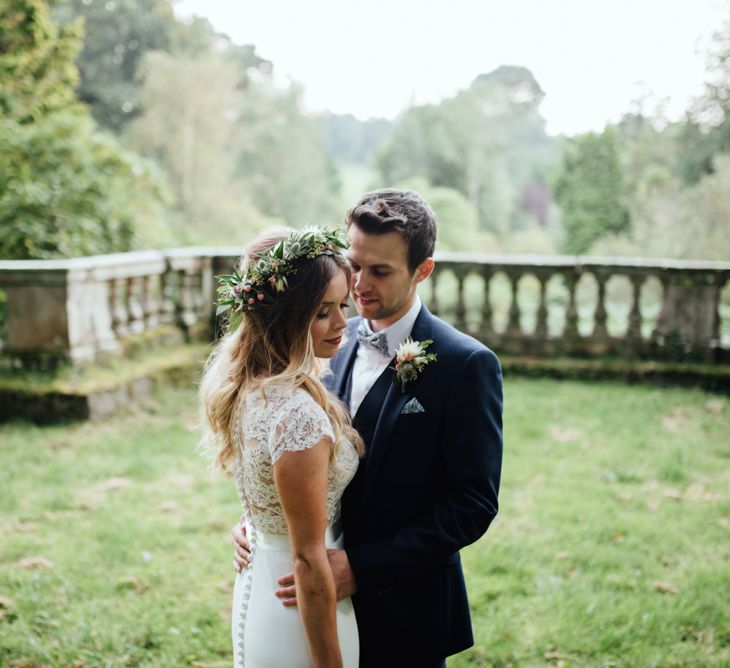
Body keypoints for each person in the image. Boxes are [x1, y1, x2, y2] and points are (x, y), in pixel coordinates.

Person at [233, 189, 504, 667]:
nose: (358, 285)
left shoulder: (467, 365)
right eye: (353, 265)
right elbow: (295, 457)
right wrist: (261, 522)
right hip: (310, 601)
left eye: (380, 271)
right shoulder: (326, 338)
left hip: (407, 608)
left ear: (423, 271)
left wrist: (361, 567)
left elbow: (472, 503)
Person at [200, 226, 365, 667]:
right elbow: (310, 560)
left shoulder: (242, 383)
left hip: (262, 586)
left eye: (342, 306)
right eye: (322, 312)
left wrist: (255, 523)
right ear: (287, 314)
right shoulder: (298, 416)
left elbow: (269, 488)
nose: (342, 324)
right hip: (302, 604)